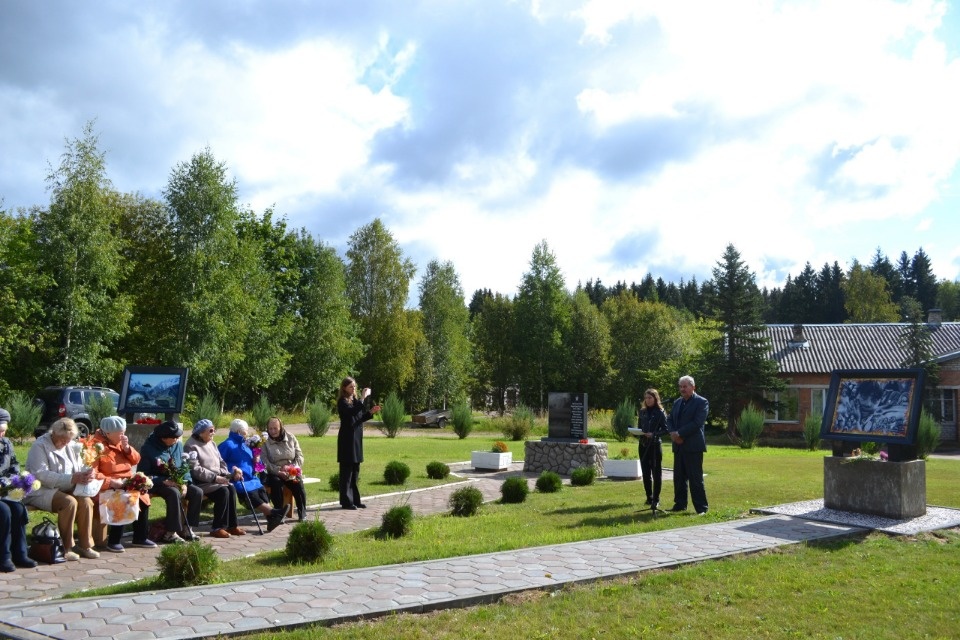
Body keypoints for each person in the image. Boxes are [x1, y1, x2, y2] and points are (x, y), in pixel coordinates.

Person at [22, 418, 100, 560]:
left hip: (66, 487)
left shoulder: (71, 445)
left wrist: (87, 473)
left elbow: (79, 466)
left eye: (68, 439)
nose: (65, 442)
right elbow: (41, 474)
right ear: (54, 433)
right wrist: (71, 479)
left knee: (86, 502)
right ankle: (66, 547)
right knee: (69, 502)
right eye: (62, 439)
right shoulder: (39, 446)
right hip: (40, 489)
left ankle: (85, 545)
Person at [90, 416, 156, 552]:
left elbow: (136, 460)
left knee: (142, 495)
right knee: (123, 498)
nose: (123, 436)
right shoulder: (95, 446)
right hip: (107, 485)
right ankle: (114, 540)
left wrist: (127, 449)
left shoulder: (120, 442)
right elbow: (93, 473)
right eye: (121, 433)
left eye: (124, 432)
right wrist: (111, 482)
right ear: (108, 433)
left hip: (126, 481)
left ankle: (140, 537)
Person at [139, 420, 203, 543]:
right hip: (157, 483)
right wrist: (163, 481)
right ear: (163, 438)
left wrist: (185, 482)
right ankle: (171, 533)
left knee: (197, 492)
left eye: (178, 437)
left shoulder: (177, 445)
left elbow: (184, 465)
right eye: (174, 437)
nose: (177, 439)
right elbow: (143, 474)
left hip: (177, 481)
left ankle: (187, 528)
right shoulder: (148, 449)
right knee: (174, 493)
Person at [218, 419, 286, 531]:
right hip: (238, 479)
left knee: (261, 491)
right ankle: (274, 513)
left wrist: (256, 459)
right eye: (246, 431)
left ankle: (271, 519)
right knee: (252, 494)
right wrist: (232, 472)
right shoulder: (227, 445)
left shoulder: (246, 444)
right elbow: (219, 464)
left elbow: (259, 466)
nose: (247, 433)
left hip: (252, 477)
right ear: (239, 431)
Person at [183, 419, 245, 538]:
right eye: (210, 430)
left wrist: (229, 474)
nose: (214, 433)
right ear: (201, 433)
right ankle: (217, 528)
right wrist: (215, 478)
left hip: (216, 480)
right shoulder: (191, 446)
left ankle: (232, 526)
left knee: (231, 489)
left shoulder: (212, 443)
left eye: (214, 430)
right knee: (223, 491)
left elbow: (221, 462)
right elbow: (195, 470)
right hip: (201, 482)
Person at [0, 407, 38, 571]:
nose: (2, 434)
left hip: (3, 490)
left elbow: (14, 466)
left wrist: (13, 480)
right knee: (4, 511)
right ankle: (4, 556)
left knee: (18, 509)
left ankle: (20, 553)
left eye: (3, 431)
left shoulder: (6, 443)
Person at [667, 375, 710, 515]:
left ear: (693, 387)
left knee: (695, 478)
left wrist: (680, 434)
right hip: (678, 446)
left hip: (693, 446)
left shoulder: (701, 402)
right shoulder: (677, 402)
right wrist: (673, 433)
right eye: (680, 386)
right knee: (679, 477)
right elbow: (669, 419)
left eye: (685, 386)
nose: (682, 389)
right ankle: (680, 505)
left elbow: (697, 423)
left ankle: (701, 508)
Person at [336, 377, 380, 510]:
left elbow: (359, 418)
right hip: (346, 440)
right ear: (344, 388)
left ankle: (355, 500)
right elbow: (351, 413)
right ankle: (346, 502)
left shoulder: (354, 401)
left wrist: (370, 412)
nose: (353, 389)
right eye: (351, 387)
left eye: (354, 386)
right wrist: (363, 398)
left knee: (355, 471)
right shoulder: (342, 402)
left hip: (356, 439)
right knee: (347, 472)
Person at [261, 416, 307, 521]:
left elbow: (300, 456)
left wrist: (292, 468)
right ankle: (279, 513)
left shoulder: (291, 437)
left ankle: (302, 513)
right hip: (274, 472)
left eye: (275, 428)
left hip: (291, 470)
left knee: (298, 483)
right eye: (270, 429)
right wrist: (278, 471)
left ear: (281, 427)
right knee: (276, 483)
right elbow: (264, 461)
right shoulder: (264, 441)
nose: (273, 431)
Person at [637, 389, 667, 508]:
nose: (648, 400)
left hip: (655, 445)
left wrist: (654, 434)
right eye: (646, 398)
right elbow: (640, 427)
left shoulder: (660, 412)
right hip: (643, 445)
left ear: (655, 398)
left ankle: (656, 499)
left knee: (656, 473)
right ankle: (649, 497)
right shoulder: (642, 412)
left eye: (650, 398)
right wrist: (636, 432)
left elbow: (666, 429)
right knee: (645, 472)